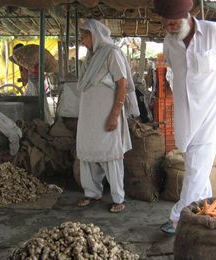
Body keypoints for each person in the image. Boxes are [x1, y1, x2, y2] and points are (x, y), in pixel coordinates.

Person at [154, 0, 216, 233]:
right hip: (185, 114)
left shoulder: (214, 32)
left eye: (175, 22)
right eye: (167, 22)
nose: (171, 26)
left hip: (211, 111)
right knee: (195, 164)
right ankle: (205, 209)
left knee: (196, 168)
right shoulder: (169, 42)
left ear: (187, 15)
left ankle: (179, 219)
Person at [76, 19, 139, 213]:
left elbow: (122, 85)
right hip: (88, 116)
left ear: (95, 35)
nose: (82, 40)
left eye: (84, 36)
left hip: (107, 115)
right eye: (81, 37)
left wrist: (114, 115)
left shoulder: (111, 53)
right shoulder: (90, 57)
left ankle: (118, 197)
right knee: (87, 153)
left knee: (110, 155)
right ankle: (92, 192)